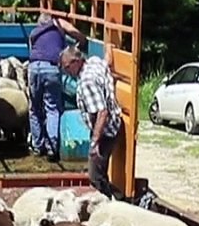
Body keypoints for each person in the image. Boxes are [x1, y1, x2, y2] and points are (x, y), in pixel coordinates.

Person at [61, 46, 128, 201]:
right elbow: (108, 62)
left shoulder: (86, 82)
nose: (66, 71)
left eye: (66, 67)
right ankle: (115, 199)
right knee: (100, 172)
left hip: (105, 132)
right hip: (113, 125)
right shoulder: (94, 62)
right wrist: (110, 48)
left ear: (76, 62)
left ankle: (110, 204)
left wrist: (94, 142)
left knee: (95, 177)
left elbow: (102, 112)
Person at [26, 12, 86, 162]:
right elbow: (76, 33)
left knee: (34, 108)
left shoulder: (33, 33)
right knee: (52, 108)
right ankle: (52, 147)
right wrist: (80, 43)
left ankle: (37, 146)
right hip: (51, 67)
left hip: (33, 67)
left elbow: (31, 52)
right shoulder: (58, 23)